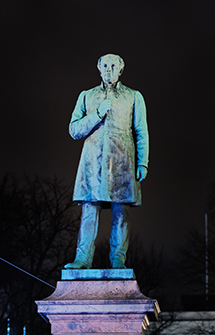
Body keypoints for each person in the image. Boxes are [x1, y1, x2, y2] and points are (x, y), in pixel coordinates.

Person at [65, 53, 149, 270]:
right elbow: (74, 130)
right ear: (99, 68)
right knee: (89, 211)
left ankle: (118, 259)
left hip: (122, 161)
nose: (109, 69)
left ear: (121, 69)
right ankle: (82, 259)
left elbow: (141, 131)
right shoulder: (87, 96)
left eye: (113, 66)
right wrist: (97, 114)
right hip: (93, 162)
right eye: (105, 65)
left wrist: (143, 162)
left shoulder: (133, 96)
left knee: (121, 212)